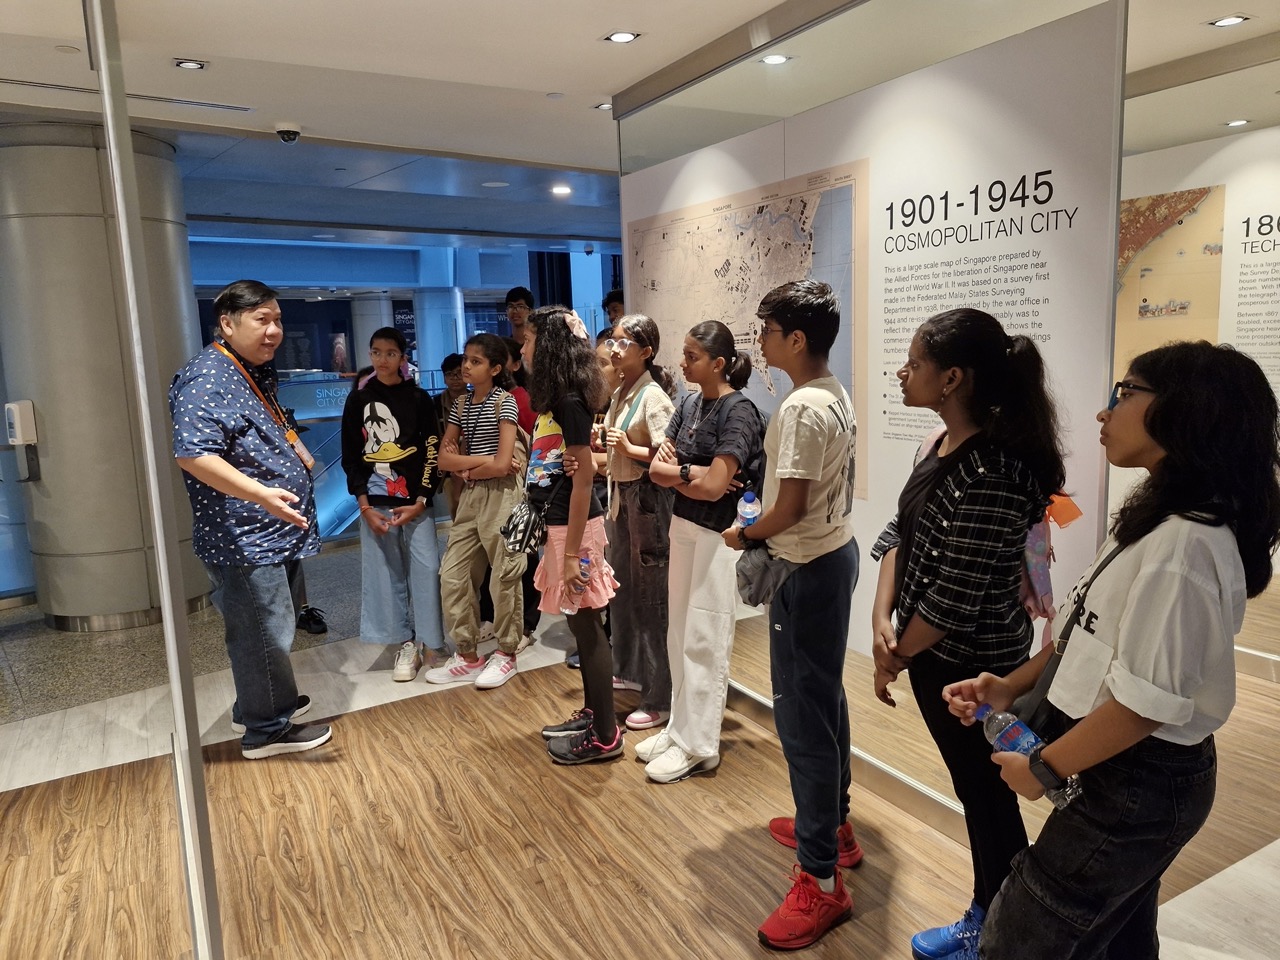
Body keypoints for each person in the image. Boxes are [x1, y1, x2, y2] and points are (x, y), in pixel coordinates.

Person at [943, 341, 1280, 960]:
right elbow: (1088, 631)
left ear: (1185, 410)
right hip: (1123, 771)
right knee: (1118, 937)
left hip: (1141, 780)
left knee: (1021, 937)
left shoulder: (1185, 544)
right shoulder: (1158, 519)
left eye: (1124, 394)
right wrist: (1011, 684)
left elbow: (1143, 706)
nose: (1104, 412)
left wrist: (1043, 769)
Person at [868, 307, 1066, 960]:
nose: (903, 372)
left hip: (974, 668)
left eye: (915, 363)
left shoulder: (995, 473)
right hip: (928, 655)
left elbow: (955, 598)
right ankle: (993, 915)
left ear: (952, 378)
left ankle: (1001, 926)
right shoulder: (937, 444)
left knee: (986, 797)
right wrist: (882, 622)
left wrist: (895, 653)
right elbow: (899, 532)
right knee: (976, 790)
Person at [720, 281, 860, 950]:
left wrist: (744, 535)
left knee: (803, 720)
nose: (760, 340)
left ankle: (822, 880)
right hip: (832, 556)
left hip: (806, 567)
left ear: (796, 339)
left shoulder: (803, 406)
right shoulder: (832, 391)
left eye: (768, 330)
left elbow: (790, 509)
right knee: (823, 699)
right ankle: (834, 828)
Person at [169, 279, 331, 759]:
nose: (274, 330)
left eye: (277, 319)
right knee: (263, 631)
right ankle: (266, 730)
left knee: (272, 624)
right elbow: (193, 455)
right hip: (244, 534)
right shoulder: (208, 376)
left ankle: (262, 702)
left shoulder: (248, 369)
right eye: (262, 320)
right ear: (227, 323)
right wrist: (261, 493)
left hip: (271, 529)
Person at [645, 320, 765, 782]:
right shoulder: (689, 403)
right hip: (684, 524)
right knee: (679, 631)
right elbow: (658, 471)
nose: (682, 363)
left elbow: (717, 489)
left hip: (719, 535)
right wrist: (693, 473)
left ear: (718, 364)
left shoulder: (740, 411)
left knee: (704, 636)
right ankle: (679, 729)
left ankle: (699, 745)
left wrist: (687, 474)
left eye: (692, 356)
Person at [525, 307, 621, 763]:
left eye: (529, 340)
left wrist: (569, 555)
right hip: (563, 526)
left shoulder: (569, 401)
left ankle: (605, 735)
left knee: (587, 626)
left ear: (548, 347)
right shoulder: (559, 399)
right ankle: (594, 716)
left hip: (575, 530)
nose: (524, 348)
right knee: (581, 626)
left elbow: (584, 481)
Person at [340, 327, 447, 680]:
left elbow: (432, 450)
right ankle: (405, 642)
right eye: (376, 352)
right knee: (386, 575)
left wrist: (421, 499)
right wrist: (365, 507)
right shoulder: (358, 400)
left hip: (416, 503)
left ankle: (432, 641)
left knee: (427, 569)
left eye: (390, 353)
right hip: (376, 503)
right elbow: (351, 456)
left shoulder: (418, 398)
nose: (382, 359)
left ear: (402, 357)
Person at [426, 334, 527, 688]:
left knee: (505, 575)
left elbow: (504, 465)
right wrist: (479, 465)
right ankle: (467, 654)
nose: (466, 366)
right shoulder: (461, 404)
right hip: (471, 493)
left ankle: (507, 653)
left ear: (495, 369)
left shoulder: (505, 402)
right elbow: (444, 460)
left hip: (503, 496)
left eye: (476, 361)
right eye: (465, 360)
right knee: (453, 574)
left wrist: (468, 465)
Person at [602, 315, 677, 731]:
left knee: (651, 597)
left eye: (624, 343)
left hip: (647, 501)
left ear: (646, 352)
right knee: (625, 589)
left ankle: (659, 696)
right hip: (624, 498)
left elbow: (670, 457)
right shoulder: (621, 392)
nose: (614, 350)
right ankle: (632, 670)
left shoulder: (653, 397)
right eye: (613, 341)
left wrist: (629, 448)